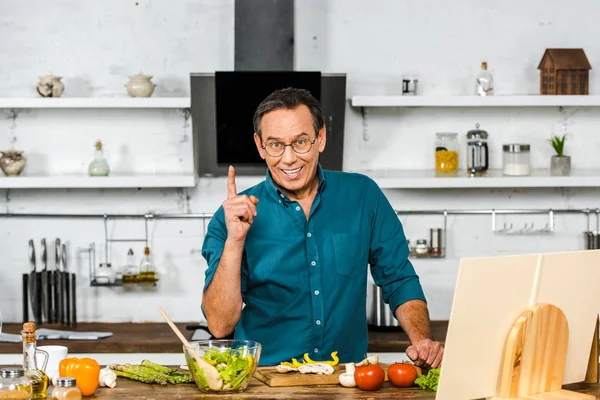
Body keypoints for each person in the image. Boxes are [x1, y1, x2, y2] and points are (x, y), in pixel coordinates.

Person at [201, 87, 444, 368]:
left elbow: (398, 279)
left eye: (300, 142)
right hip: (264, 380)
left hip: (346, 380)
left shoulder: (363, 195)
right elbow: (219, 326)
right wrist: (235, 240)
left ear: (321, 138)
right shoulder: (232, 217)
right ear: (260, 146)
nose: (289, 158)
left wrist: (422, 340)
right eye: (276, 144)